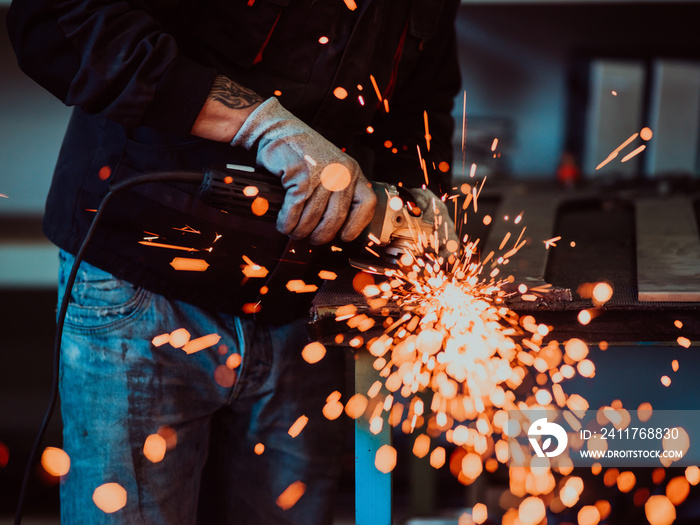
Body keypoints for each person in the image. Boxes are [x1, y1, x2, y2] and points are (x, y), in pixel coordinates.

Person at [7, 0, 461, 523]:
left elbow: (419, 104)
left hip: (305, 308)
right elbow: (58, 23)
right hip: (142, 291)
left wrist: (416, 200)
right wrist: (263, 126)